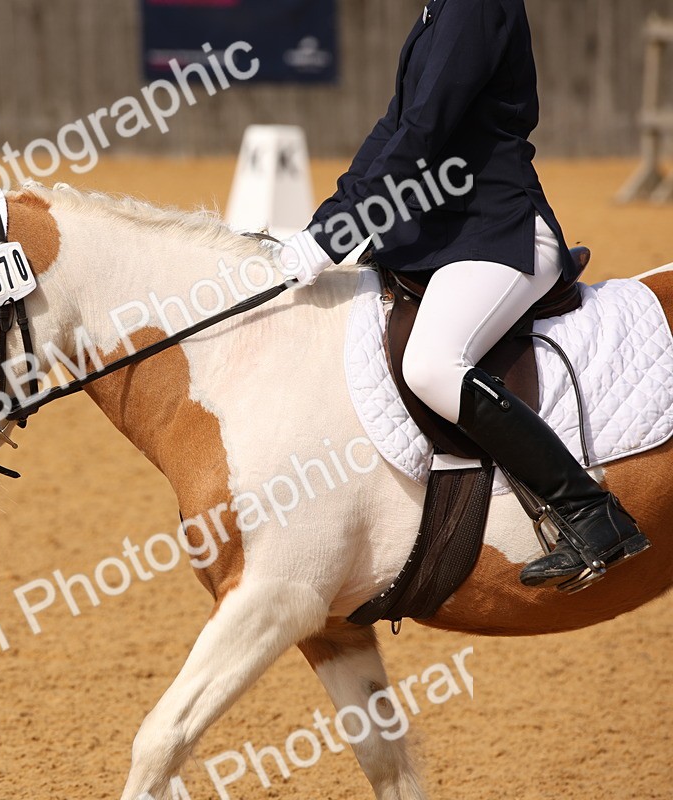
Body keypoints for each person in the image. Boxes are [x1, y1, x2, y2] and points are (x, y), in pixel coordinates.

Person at [276, 0, 649, 588]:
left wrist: (337, 233)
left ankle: (589, 511)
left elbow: (426, 132)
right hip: (449, 231)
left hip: (500, 231)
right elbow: (393, 128)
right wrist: (326, 223)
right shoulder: (439, 9)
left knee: (430, 364)